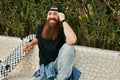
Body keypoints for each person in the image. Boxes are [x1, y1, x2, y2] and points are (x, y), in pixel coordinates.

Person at [23, 4, 78, 80]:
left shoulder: (64, 30)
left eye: (55, 14)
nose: (52, 16)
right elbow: (38, 38)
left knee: (69, 48)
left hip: (58, 68)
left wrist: (63, 20)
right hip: (45, 70)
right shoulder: (41, 28)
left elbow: (72, 40)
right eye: (50, 14)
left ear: (60, 16)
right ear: (47, 16)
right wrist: (29, 44)